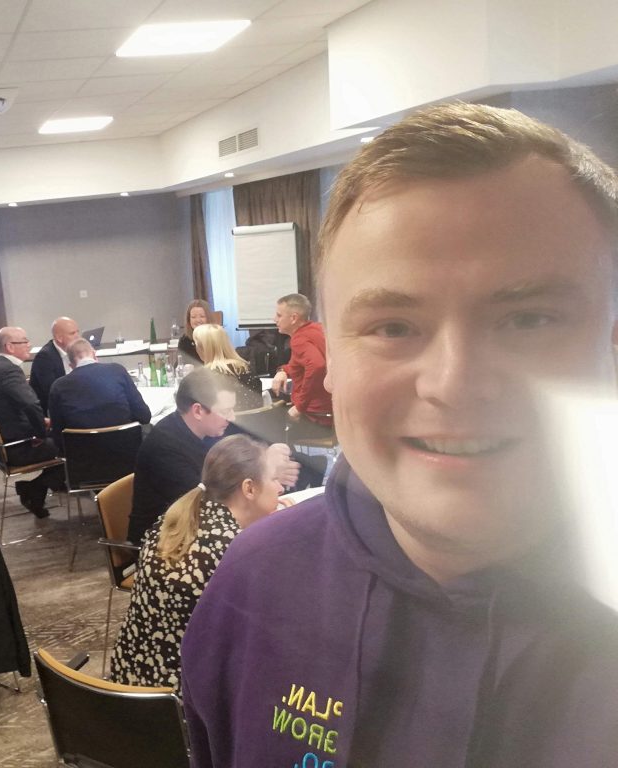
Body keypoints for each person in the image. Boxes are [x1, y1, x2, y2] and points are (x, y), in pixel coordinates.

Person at [181, 103, 618, 767]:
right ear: (334, 360)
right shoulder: (251, 587)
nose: (453, 384)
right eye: (392, 327)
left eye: (529, 319)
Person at [110, 436, 295, 693]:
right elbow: (269, 631)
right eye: (274, 479)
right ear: (249, 489)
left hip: (131, 679)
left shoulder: (181, 517)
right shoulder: (237, 551)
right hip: (181, 697)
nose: (280, 489)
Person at [128, 368, 242, 545]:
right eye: (225, 411)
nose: (232, 417)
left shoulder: (209, 430)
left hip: (192, 526)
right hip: (161, 542)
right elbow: (204, 504)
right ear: (198, 411)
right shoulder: (164, 447)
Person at [0, 327, 64, 518]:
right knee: (75, 444)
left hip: (9, 442)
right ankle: (35, 489)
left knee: (64, 439)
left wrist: (40, 423)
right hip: (17, 447)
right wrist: (40, 433)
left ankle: (37, 491)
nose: (29, 345)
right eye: (25, 341)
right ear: (10, 347)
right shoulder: (8, 370)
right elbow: (30, 404)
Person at [47, 338, 151, 446]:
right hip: (126, 448)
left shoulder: (58, 386)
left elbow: (58, 435)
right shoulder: (117, 371)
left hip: (81, 453)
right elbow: (144, 416)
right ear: (94, 354)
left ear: (71, 366)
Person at [270, 293, 334, 440]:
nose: (275, 319)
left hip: (315, 416)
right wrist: (283, 371)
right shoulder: (317, 329)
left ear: (293, 318)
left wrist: (300, 406)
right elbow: (298, 364)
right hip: (331, 409)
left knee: (273, 428)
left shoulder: (299, 340)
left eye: (279, 315)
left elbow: (317, 366)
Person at [193, 323, 263, 410]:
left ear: (202, 348)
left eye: (195, 345)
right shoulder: (245, 367)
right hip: (254, 417)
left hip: (226, 418)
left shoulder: (205, 376)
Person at [29, 316, 81, 413]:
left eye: (78, 332)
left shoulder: (73, 351)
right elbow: (51, 391)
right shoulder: (45, 357)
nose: (78, 337)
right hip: (53, 409)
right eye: (72, 333)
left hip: (71, 401)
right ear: (59, 338)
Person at [177, 299, 212, 364]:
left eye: (202, 316)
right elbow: (180, 364)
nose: (198, 320)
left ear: (208, 318)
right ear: (189, 320)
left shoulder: (216, 338)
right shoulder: (184, 340)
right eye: (193, 317)